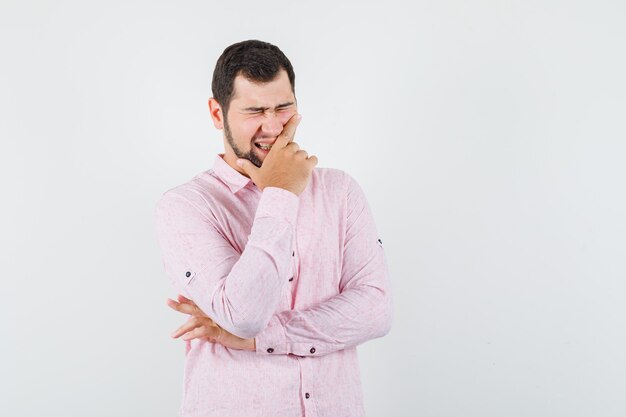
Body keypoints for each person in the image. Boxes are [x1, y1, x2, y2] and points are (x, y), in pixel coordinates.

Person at [154, 39, 393, 417]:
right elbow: (244, 313)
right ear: (217, 114)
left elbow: (375, 310)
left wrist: (260, 339)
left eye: (283, 107)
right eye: (255, 111)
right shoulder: (186, 206)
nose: (272, 126)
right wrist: (280, 193)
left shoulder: (340, 191)